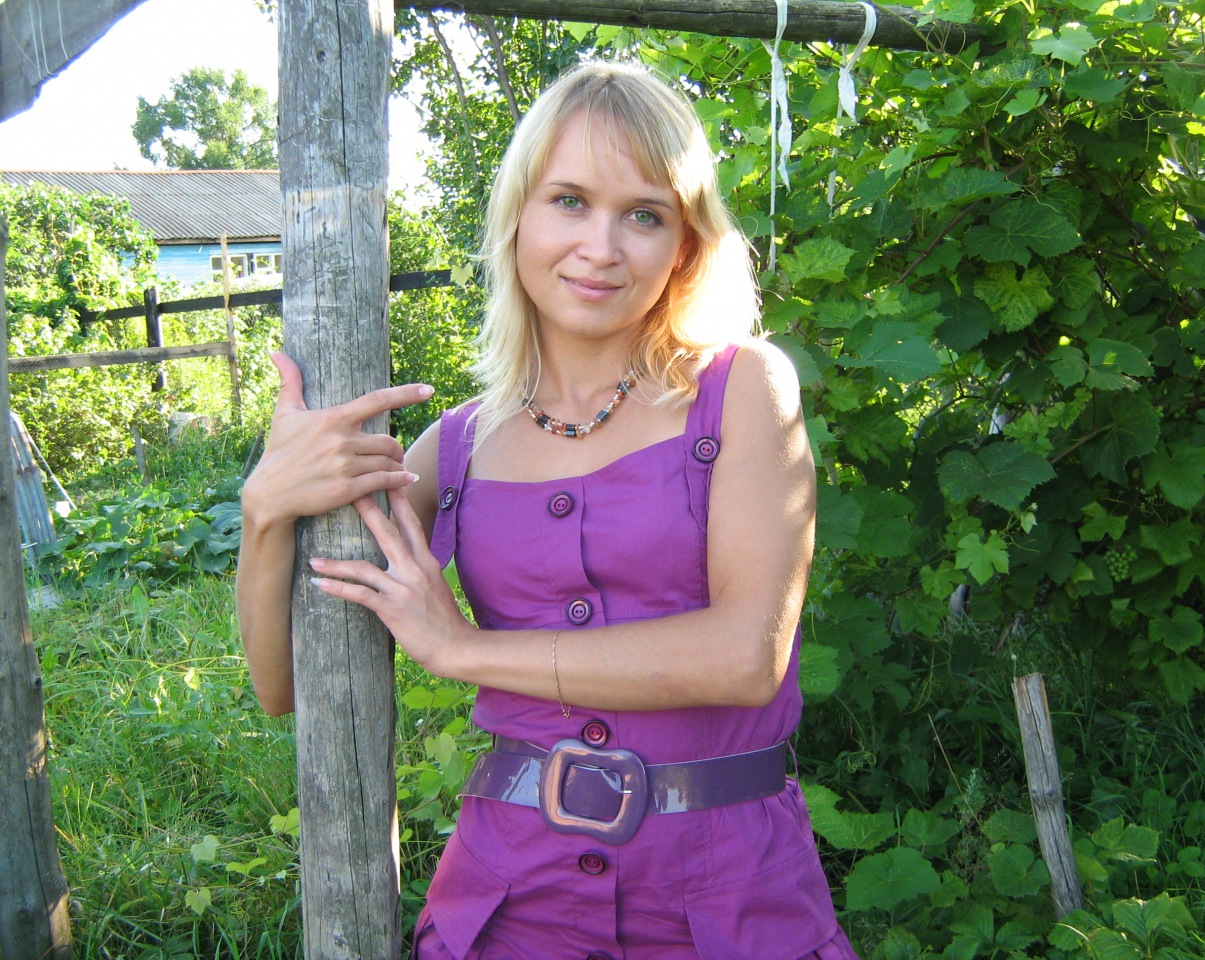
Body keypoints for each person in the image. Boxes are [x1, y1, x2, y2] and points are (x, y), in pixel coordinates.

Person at [237, 61, 859, 960]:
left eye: (644, 215)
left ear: (685, 245)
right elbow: (284, 686)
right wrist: (266, 512)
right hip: (511, 902)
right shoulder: (458, 446)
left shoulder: (742, 390)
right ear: (518, 217)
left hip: (727, 901)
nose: (600, 247)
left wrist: (463, 650)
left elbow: (745, 657)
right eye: (569, 201)